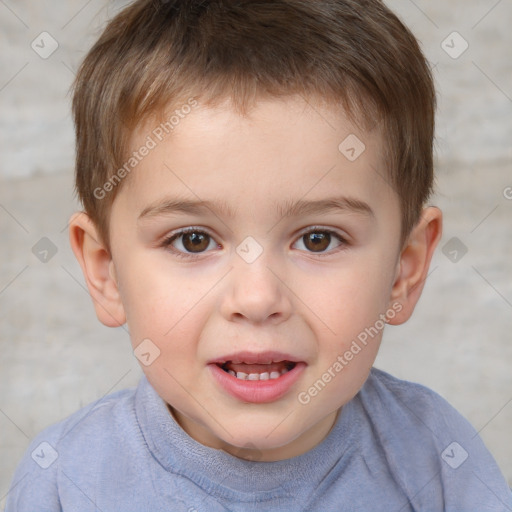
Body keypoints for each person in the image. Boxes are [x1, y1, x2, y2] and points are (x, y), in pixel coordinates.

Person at [6, 0, 511, 510]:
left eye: (318, 239)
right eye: (193, 240)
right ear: (106, 271)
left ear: (405, 269)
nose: (257, 298)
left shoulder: (437, 459)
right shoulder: (64, 480)